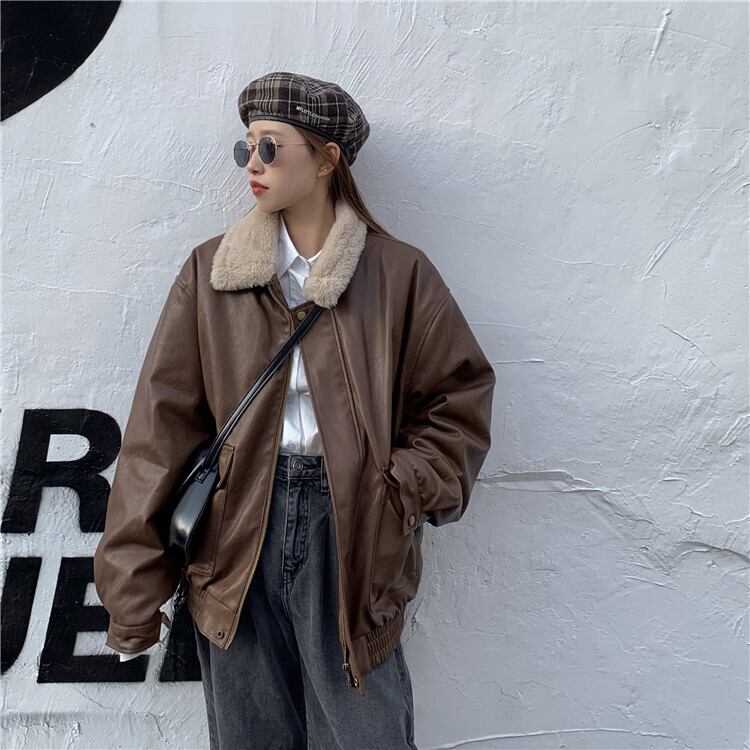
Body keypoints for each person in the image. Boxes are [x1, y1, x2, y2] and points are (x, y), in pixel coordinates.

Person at [93, 71, 496, 750]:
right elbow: (158, 433)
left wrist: (397, 489)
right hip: (234, 537)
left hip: (353, 532)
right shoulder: (213, 274)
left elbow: (458, 401)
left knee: (366, 735)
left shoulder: (397, 276)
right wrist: (132, 589)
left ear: (327, 158)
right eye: (245, 147)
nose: (252, 164)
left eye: (270, 148)